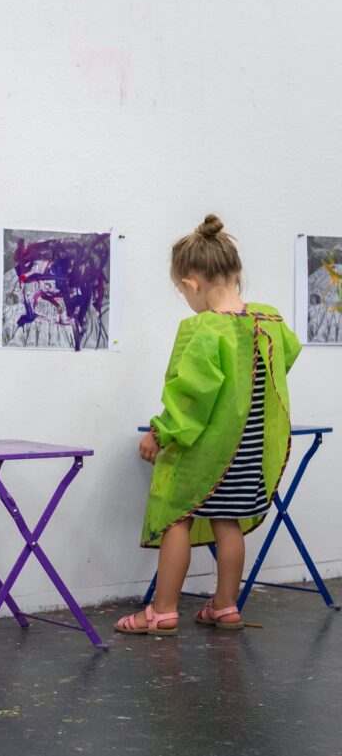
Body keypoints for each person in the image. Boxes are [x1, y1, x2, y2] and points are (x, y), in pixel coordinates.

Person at [116, 215, 299, 636]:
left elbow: (190, 396)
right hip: (248, 450)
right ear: (236, 274)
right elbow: (284, 361)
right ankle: (226, 606)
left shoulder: (203, 330)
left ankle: (161, 611)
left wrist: (160, 432)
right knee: (227, 522)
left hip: (205, 452)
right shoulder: (268, 322)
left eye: (184, 293)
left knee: (177, 519)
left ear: (191, 284)